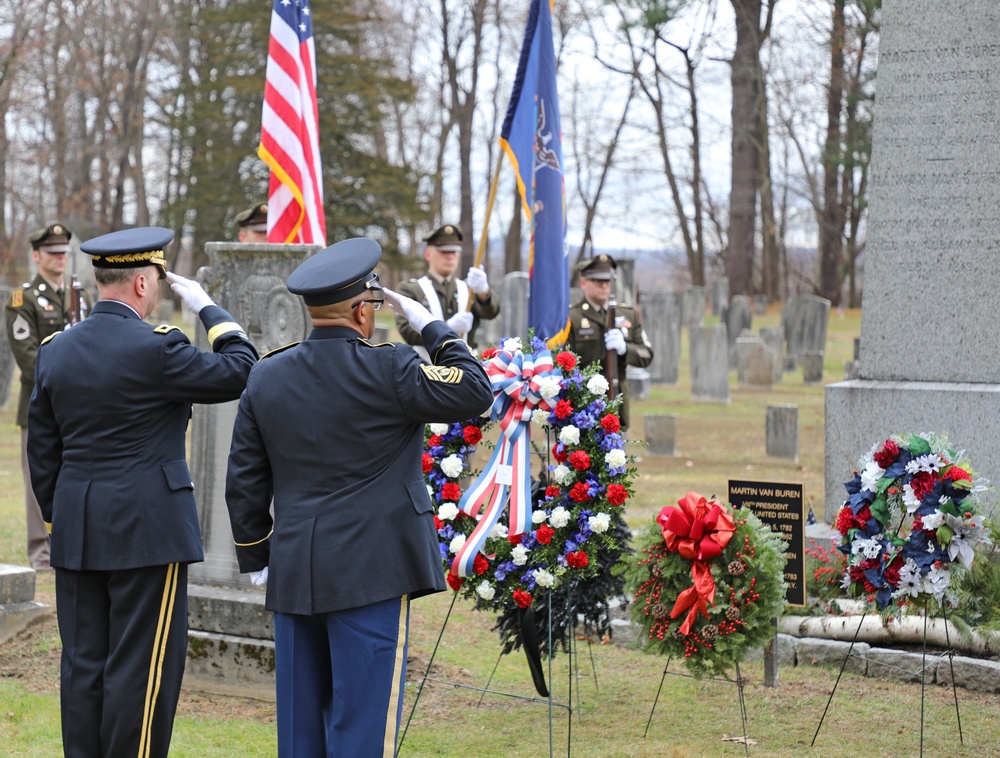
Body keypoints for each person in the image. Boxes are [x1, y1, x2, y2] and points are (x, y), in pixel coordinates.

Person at [224, 237, 493, 757]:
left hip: (296, 568)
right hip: (374, 569)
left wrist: (258, 553)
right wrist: (435, 330)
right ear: (359, 311)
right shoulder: (391, 367)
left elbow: (245, 476)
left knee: (300, 728)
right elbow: (475, 390)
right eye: (371, 304)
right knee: (362, 726)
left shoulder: (266, 374)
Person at [27, 226, 258, 758]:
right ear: (140, 284)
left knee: (84, 663)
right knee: (142, 668)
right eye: (155, 280)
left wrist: (62, 520)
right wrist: (209, 310)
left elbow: (43, 454)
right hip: (148, 531)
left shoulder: (56, 350)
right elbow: (240, 369)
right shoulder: (159, 349)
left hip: (79, 528)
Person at [4, 222, 92, 570]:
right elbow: (28, 358)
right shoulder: (22, 298)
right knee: (37, 478)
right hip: (39, 406)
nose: (60, 258)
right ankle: (40, 551)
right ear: (37, 255)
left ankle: (69, 544)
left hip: (79, 407)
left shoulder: (80, 296)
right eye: (53, 253)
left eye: (64, 253)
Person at [563, 253, 653, 430]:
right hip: (582, 408)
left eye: (607, 280)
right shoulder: (571, 317)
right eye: (597, 281)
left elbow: (646, 354)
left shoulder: (627, 315)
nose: (604, 285)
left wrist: (625, 349)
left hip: (617, 406)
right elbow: (564, 364)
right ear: (583, 283)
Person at [394, 223, 499, 358]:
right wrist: (447, 327)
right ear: (428, 254)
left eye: (454, 251)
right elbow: (408, 332)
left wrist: (484, 292)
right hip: (426, 370)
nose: (450, 256)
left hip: (466, 369)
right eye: (443, 251)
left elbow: (490, 313)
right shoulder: (411, 290)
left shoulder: (469, 289)